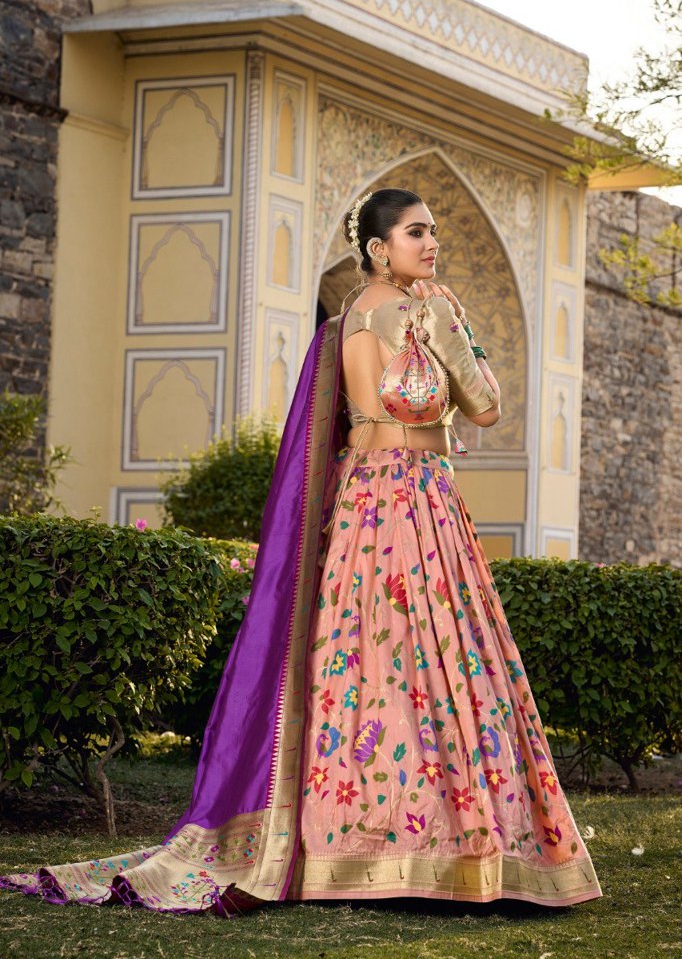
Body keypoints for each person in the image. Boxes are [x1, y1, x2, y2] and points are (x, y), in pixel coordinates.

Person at [0, 188, 602, 916]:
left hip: (359, 506)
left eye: (434, 230)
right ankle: (438, 843)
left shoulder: (344, 320)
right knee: (430, 662)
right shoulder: (423, 313)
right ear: (380, 248)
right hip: (412, 499)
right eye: (417, 232)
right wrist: (454, 329)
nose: (432, 242)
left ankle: (345, 843)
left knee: (359, 663)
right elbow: (487, 406)